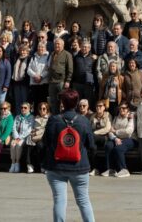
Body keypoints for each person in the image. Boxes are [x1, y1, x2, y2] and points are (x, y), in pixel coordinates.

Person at [43, 88, 96, 222]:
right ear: (77, 103)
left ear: (62, 102)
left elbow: (45, 143)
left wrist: (45, 163)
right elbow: (92, 146)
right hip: (79, 166)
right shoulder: (84, 121)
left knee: (59, 201)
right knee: (83, 200)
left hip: (56, 167)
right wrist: (89, 163)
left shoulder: (53, 120)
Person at [103, 101, 136, 177]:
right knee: (108, 145)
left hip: (130, 139)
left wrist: (116, 132)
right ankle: (111, 169)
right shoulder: (116, 117)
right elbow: (111, 131)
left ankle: (124, 169)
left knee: (119, 148)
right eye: (120, 108)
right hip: (117, 138)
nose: (121, 110)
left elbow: (128, 131)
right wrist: (115, 138)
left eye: (124, 108)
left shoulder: (131, 117)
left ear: (128, 109)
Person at [48, 37, 74, 110]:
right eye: (55, 44)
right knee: (53, 101)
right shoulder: (52, 54)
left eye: (58, 44)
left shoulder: (67, 54)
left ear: (63, 45)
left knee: (63, 101)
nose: (56, 46)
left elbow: (70, 69)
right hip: (52, 82)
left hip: (61, 82)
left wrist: (68, 81)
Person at [72, 39, 98, 106]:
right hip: (77, 83)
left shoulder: (93, 58)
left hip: (88, 84)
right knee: (77, 102)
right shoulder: (76, 57)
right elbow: (73, 69)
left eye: (86, 47)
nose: (84, 48)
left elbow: (95, 71)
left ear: (89, 48)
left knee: (88, 102)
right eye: (83, 46)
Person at [10, 101, 34, 172]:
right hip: (16, 137)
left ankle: (17, 163)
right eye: (22, 108)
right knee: (12, 144)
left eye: (25, 108)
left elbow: (29, 130)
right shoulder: (17, 117)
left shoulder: (31, 117)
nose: (23, 109)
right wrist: (16, 137)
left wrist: (19, 138)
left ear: (29, 109)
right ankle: (13, 163)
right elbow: (13, 128)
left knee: (18, 145)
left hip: (24, 137)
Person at [27, 101, 51, 174]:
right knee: (29, 144)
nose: (42, 110)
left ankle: (43, 165)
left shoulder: (49, 118)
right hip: (35, 137)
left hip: (44, 138)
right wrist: (32, 133)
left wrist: (36, 132)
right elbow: (32, 128)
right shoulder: (36, 118)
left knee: (40, 146)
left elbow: (46, 129)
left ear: (47, 109)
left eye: (44, 109)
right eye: (40, 109)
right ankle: (30, 165)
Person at [28, 40, 52, 110]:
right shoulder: (33, 56)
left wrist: (41, 77)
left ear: (45, 48)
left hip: (43, 83)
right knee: (35, 103)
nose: (40, 48)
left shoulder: (48, 56)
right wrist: (35, 76)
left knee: (43, 103)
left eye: (42, 47)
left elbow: (48, 69)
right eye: (39, 47)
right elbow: (28, 69)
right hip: (34, 83)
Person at [10, 42, 33, 113]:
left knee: (24, 101)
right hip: (16, 82)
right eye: (21, 50)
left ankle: (26, 115)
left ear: (27, 51)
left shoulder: (29, 59)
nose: (22, 52)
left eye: (24, 50)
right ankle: (18, 115)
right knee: (17, 101)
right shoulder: (16, 58)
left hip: (24, 83)